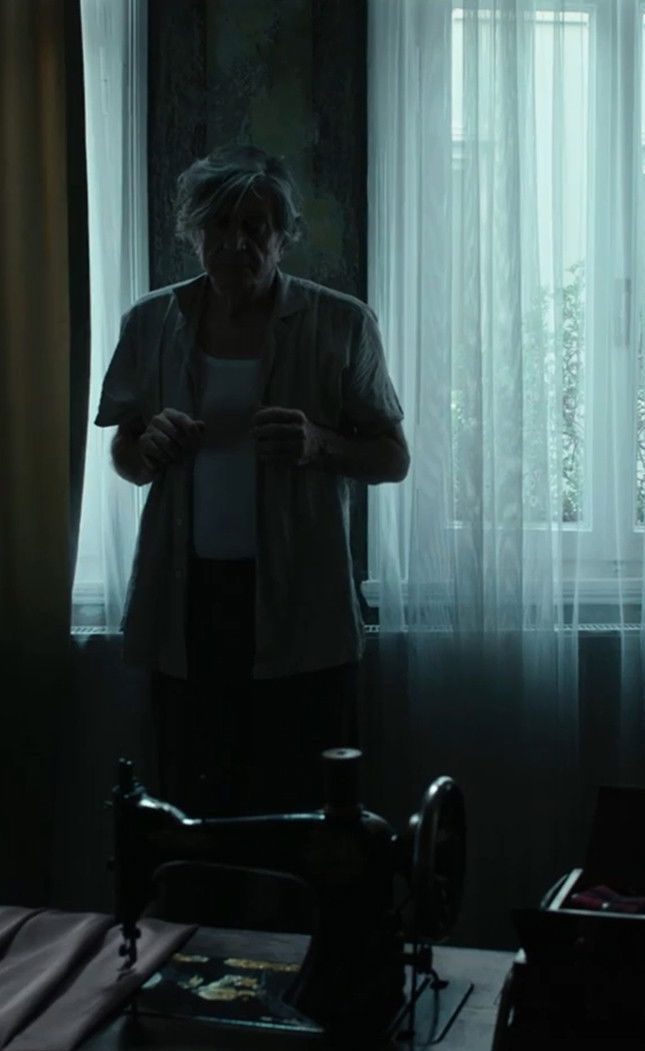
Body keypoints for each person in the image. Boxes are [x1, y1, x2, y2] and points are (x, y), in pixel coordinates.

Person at [93, 145, 409, 821]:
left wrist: (319, 443)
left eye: (254, 227)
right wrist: (146, 448)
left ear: (284, 236)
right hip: (186, 604)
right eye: (219, 225)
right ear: (194, 233)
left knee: (304, 810)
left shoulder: (341, 322)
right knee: (191, 807)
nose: (235, 243)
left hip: (302, 603)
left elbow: (393, 458)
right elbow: (124, 453)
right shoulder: (150, 322)